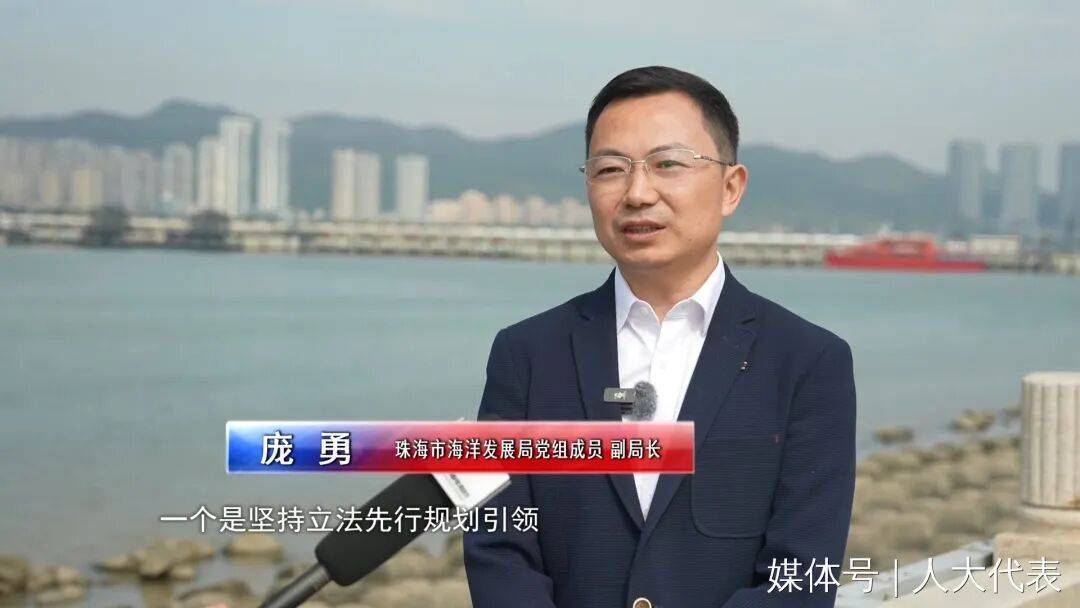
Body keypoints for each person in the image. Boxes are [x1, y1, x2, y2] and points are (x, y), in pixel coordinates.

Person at [464, 65, 857, 608]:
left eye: (667, 164)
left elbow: (803, 575)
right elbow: (499, 549)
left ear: (731, 188)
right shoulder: (525, 355)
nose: (637, 192)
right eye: (610, 169)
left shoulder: (808, 361)